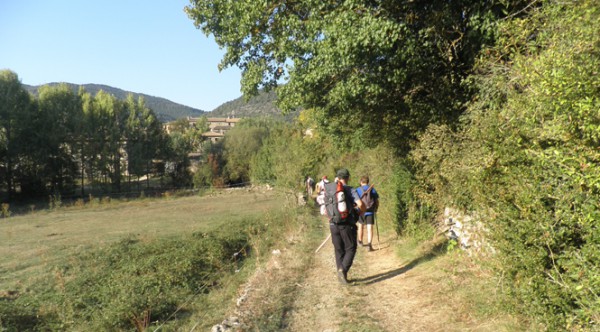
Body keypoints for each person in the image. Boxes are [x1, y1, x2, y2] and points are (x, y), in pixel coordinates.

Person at [327, 168, 364, 284]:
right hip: (347, 225)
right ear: (348, 177)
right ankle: (342, 271)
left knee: (339, 250)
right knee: (351, 247)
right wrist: (359, 212)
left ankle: (342, 277)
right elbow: (361, 205)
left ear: (337, 178)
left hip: (333, 224)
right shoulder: (350, 189)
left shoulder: (329, 189)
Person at [356, 176, 379, 252]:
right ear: (368, 182)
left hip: (361, 211)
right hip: (370, 210)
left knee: (361, 226)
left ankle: (360, 242)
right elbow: (376, 200)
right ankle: (369, 245)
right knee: (370, 228)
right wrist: (376, 208)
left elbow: (355, 201)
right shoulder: (372, 189)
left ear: (361, 182)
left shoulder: (358, 190)